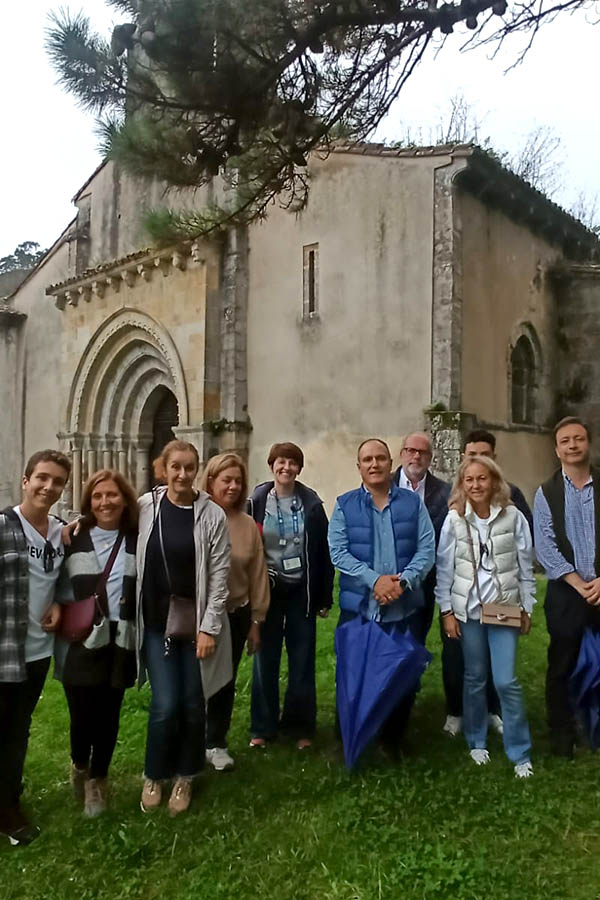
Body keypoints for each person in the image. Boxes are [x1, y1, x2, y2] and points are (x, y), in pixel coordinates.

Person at [137, 440, 231, 815]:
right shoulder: (146, 508)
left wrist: (209, 629)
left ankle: (185, 776)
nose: (182, 474)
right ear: (163, 468)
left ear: (197, 470)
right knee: (164, 704)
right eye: (175, 466)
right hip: (156, 624)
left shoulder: (211, 515)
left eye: (189, 467)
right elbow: (107, 522)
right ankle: (154, 774)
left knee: (193, 704)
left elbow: (220, 575)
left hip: (195, 626)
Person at [328, 438, 435, 751]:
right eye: (367, 460)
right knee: (354, 676)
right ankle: (349, 735)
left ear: (391, 464)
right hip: (360, 607)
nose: (374, 465)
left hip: (404, 606)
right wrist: (375, 581)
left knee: (401, 675)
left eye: (380, 458)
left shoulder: (413, 503)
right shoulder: (345, 504)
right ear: (359, 466)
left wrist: (402, 583)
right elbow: (338, 551)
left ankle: (393, 739)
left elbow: (427, 549)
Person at [435, 455, 535, 777]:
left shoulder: (513, 516)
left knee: (506, 680)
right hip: (468, 611)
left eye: (482, 478)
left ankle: (520, 751)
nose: (476, 485)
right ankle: (476, 740)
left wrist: (527, 607)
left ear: (494, 481)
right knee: (475, 677)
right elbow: (444, 570)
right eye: (469, 480)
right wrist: (447, 611)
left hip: (504, 608)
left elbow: (525, 567)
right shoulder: (454, 520)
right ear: (462, 485)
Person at [56, 469, 138, 817]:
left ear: (124, 499)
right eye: (98, 496)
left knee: (109, 713)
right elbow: (51, 576)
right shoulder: (73, 537)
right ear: (89, 501)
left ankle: (98, 781)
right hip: (82, 638)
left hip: (121, 638)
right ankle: (79, 763)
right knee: (82, 715)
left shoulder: (137, 536)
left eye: (112, 495)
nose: (105, 502)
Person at [0, 449, 72, 846]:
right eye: (41, 478)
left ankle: (8, 801)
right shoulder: (4, 526)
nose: (48, 487)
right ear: (25, 480)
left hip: (38, 650)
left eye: (57, 481)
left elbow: (60, 578)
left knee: (17, 729)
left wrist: (60, 602)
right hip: (4, 648)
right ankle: (7, 807)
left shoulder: (61, 532)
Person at [248, 442, 333, 749]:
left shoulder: (311, 504)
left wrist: (324, 596)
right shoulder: (256, 501)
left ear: (299, 468)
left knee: (302, 661)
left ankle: (301, 728)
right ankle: (263, 726)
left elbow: (323, 552)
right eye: (281, 462)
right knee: (264, 661)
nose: (286, 468)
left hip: (301, 593)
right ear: (272, 465)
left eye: (292, 463)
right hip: (267, 592)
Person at [534, 416, 600, 758]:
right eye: (565, 441)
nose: (573, 445)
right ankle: (561, 732)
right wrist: (578, 582)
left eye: (579, 439)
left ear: (588, 443)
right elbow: (545, 546)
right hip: (566, 593)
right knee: (561, 664)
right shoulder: (546, 492)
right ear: (557, 449)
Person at [200, 452, 270, 770]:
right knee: (192, 680)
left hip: (235, 613)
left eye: (237, 481)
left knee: (224, 681)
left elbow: (257, 575)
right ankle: (187, 739)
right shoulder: (194, 517)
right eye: (225, 480)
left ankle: (215, 742)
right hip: (197, 614)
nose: (232, 486)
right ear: (211, 482)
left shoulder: (246, 526)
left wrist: (257, 620)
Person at [393, 432, 450, 643]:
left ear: (430, 458)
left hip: (426, 580)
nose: (416, 456)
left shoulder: (446, 493)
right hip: (388, 576)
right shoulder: (383, 485)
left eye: (422, 452)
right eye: (411, 451)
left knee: (416, 640)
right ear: (402, 454)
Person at [463, 429, 533, 534]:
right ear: (463, 458)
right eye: (472, 455)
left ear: (494, 458)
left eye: (484, 455)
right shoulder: (453, 494)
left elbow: (528, 533)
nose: (479, 460)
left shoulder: (511, 493)